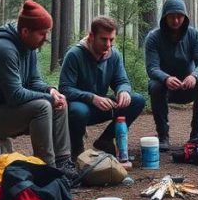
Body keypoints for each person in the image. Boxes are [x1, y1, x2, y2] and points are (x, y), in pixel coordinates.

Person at [0, 0, 75, 177]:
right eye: (42, 34)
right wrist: (48, 98)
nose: (45, 39)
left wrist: (50, 91)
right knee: (43, 107)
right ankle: (47, 170)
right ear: (25, 31)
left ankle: (63, 163)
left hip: (3, 111)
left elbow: (34, 81)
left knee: (58, 103)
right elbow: (15, 95)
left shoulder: (29, 47)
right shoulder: (3, 50)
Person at [60, 15, 146, 157]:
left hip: (102, 106)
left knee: (136, 100)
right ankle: (76, 152)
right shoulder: (74, 55)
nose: (108, 44)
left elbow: (121, 81)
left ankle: (105, 139)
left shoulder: (114, 55)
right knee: (78, 111)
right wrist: (92, 98)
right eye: (103, 39)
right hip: (80, 107)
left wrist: (123, 91)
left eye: (111, 39)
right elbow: (65, 89)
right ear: (92, 36)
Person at [144, 0, 198, 151]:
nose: (175, 21)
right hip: (166, 88)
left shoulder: (194, 35)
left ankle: (197, 134)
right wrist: (166, 78)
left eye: (179, 16)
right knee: (155, 86)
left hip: (189, 87)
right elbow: (152, 68)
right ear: (164, 17)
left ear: (185, 17)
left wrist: (194, 76)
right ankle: (163, 136)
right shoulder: (153, 37)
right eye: (171, 16)